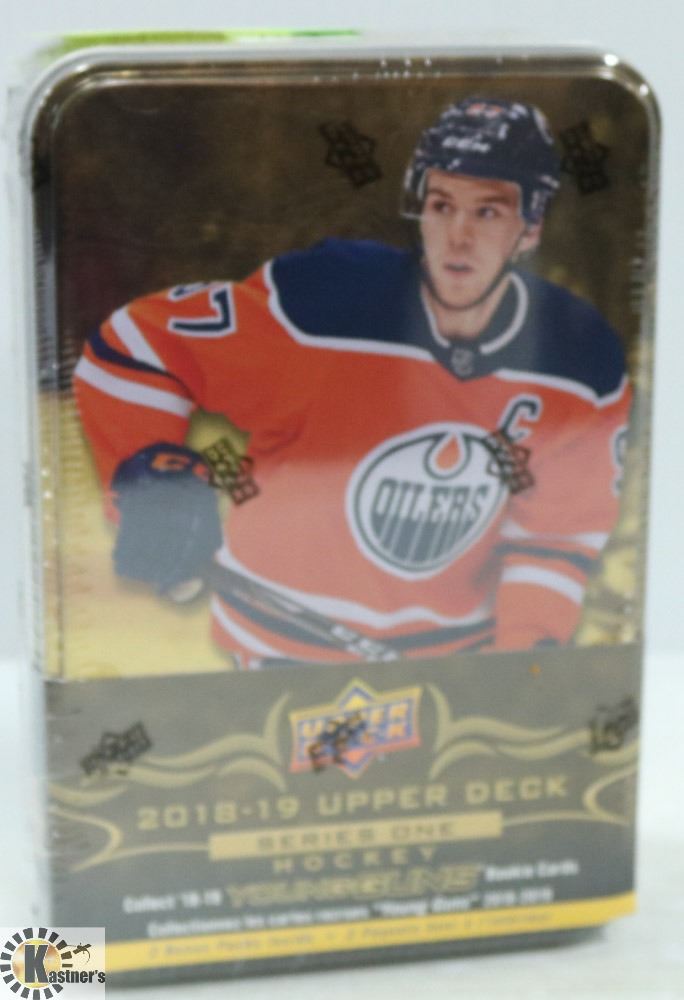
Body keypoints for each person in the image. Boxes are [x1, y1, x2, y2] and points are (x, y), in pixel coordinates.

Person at [73, 96, 631, 668]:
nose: (457, 236)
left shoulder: (578, 360)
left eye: (488, 212)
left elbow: (554, 538)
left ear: (531, 226)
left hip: (457, 671)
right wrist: (154, 491)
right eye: (441, 205)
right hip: (278, 656)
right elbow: (134, 348)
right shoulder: (321, 308)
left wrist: (522, 660)